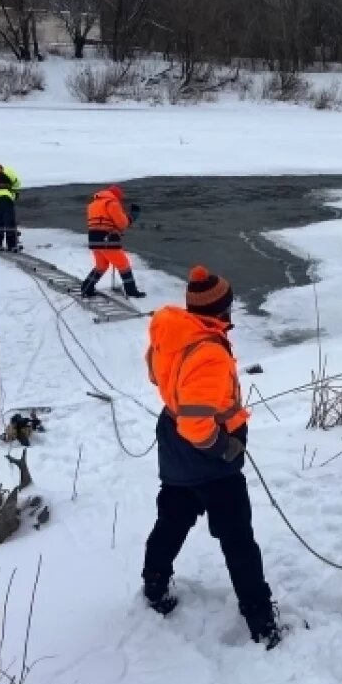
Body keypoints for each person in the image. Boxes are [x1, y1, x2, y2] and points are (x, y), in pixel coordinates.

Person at [141, 265, 283, 649]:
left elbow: (155, 374)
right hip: (208, 457)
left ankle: (153, 584)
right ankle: (261, 620)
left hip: (173, 444)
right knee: (238, 539)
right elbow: (196, 427)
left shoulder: (174, 330)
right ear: (223, 308)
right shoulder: (209, 353)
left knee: (172, 519)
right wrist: (226, 447)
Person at [79, 184, 145, 298]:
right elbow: (122, 224)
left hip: (94, 240)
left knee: (101, 266)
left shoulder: (93, 205)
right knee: (123, 265)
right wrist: (133, 216)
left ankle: (86, 287)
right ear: (117, 195)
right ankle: (131, 291)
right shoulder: (112, 203)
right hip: (108, 240)